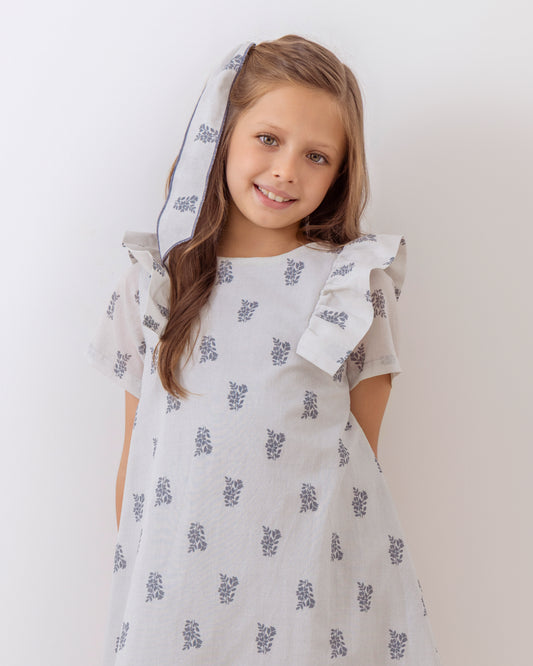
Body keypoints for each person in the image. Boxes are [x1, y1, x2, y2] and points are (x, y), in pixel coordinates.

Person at [88, 35, 441, 665]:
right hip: (178, 595)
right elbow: (138, 461)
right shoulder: (155, 286)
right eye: (268, 139)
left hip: (307, 602)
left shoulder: (352, 287)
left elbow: (356, 471)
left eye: (316, 156)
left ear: (340, 173)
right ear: (223, 135)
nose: (286, 171)